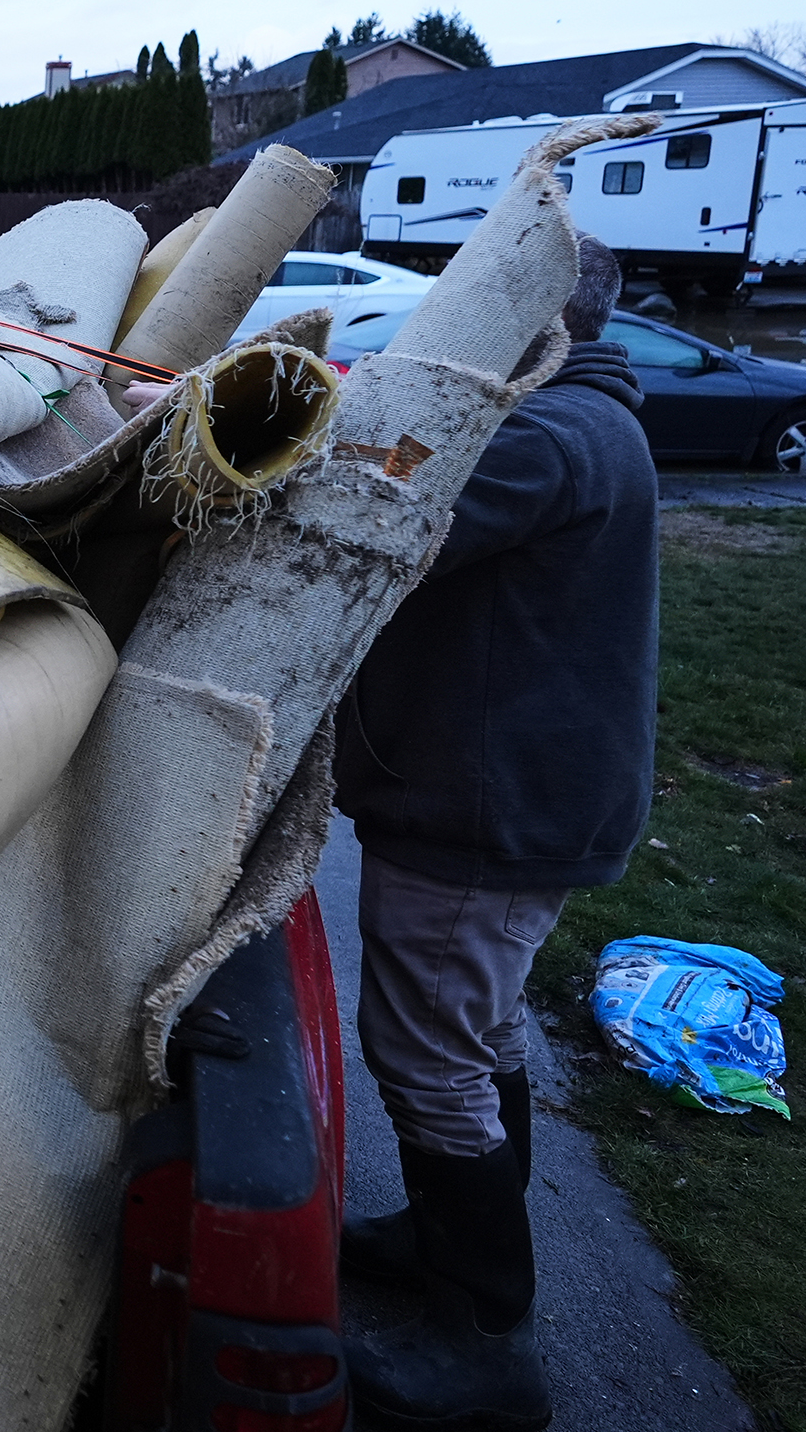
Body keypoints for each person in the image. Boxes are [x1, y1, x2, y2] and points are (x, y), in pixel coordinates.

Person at [335, 233, 657, 1430]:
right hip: (529, 791)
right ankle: (438, 1242)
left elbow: (374, 518)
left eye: (471, 303)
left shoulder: (541, 438)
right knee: (479, 1029)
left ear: (525, 314)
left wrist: (336, 422)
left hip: (491, 807)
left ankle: (483, 1338)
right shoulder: (584, 417)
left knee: (428, 1054)